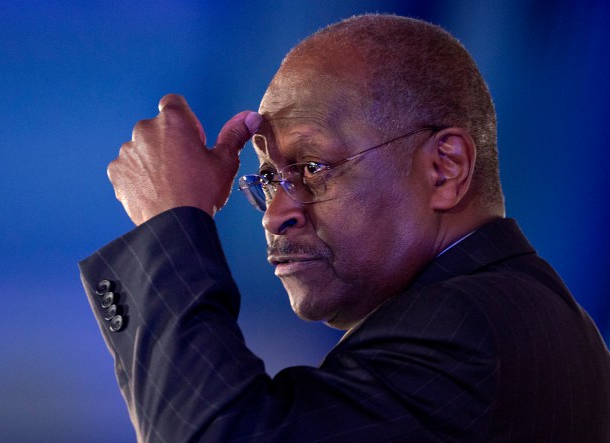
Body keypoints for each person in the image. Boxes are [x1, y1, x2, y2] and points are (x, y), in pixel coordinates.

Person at [79, 14, 610, 442]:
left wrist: (170, 220)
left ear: (444, 169)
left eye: (312, 168)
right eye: (268, 178)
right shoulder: (510, 314)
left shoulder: (465, 331)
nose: (274, 213)